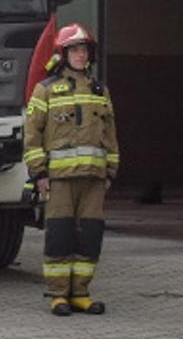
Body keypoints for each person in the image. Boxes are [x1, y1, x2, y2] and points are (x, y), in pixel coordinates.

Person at [24, 24, 120, 316]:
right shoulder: (46, 89)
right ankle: (57, 293)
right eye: (74, 50)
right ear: (63, 54)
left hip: (93, 179)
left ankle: (80, 291)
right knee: (60, 235)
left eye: (84, 50)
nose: (80, 55)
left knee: (90, 235)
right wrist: (39, 173)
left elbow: (111, 133)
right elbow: (32, 135)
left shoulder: (100, 90)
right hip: (59, 180)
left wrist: (110, 171)